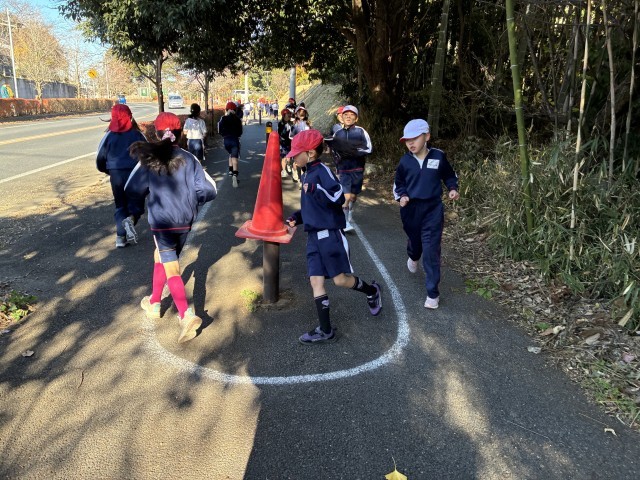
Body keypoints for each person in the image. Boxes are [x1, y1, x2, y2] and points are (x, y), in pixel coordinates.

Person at [126, 112, 217, 343]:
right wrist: (192, 200)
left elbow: (131, 188)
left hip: (162, 222)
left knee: (172, 268)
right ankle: (155, 302)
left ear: (156, 134)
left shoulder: (149, 159)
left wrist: (145, 195)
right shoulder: (190, 158)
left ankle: (186, 315)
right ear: (180, 132)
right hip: (185, 220)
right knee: (161, 257)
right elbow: (209, 190)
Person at [285, 129, 382, 344]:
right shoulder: (306, 174)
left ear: (310, 153)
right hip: (313, 238)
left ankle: (372, 290)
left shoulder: (322, 171)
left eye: (296, 154)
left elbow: (339, 197)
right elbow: (311, 208)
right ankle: (325, 330)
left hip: (330, 236)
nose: (293, 158)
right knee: (315, 281)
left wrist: (317, 189)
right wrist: (295, 218)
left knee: (340, 280)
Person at [393, 119, 459, 309]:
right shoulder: (405, 161)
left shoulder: (438, 156)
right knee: (416, 243)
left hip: (433, 209)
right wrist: (402, 196)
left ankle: (432, 293)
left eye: (414, 138)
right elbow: (399, 183)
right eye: (407, 140)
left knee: (431, 250)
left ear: (427, 136)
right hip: (411, 209)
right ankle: (413, 255)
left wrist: (452, 188)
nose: (410, 143)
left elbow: (449, 175)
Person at [96, 103, 147, 248]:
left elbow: (100, 159)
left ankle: (120, 238)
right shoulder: (138, 135)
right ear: (130, 117)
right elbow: (148, 155)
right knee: (136, 204)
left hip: (116, 175)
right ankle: (131, 219)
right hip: (135, 175)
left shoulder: (108, 136)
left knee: (120, 205)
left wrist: (108, 171)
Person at [328, 105, 372, 232]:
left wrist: (354, 152)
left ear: (356, 118)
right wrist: (337, 163)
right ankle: (345, 222)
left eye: (352, 115)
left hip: (357, 170)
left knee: (352, 197)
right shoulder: (338, 133)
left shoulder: (361, 131)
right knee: (346, 197)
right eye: (345, 115)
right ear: (341, 117)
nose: (348, 117)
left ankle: (349, 211)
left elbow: (369, 148)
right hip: (343, 170)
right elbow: (334, 151)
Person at [218, 101, 243, 188]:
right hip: (235, 140)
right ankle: (235, 175)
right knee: (234, 157)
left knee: (230, 154)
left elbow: (219, 129)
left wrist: (224, 134)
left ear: (226, 109)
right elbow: (240, 132)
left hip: (226, 140)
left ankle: (230, 170)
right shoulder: (237, 119)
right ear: (235, 110)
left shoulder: (223, 118)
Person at [278, 108, 294, 178]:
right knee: (284, 157)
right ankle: (284, 170)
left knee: (289, 157)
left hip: (290, 142)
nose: (289, 116)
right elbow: (280, 133)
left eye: (290, 115)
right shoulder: (281, 124)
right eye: (288, 115)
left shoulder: (291, 123)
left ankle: (288, 164)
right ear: (284, 115)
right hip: (283, 143)